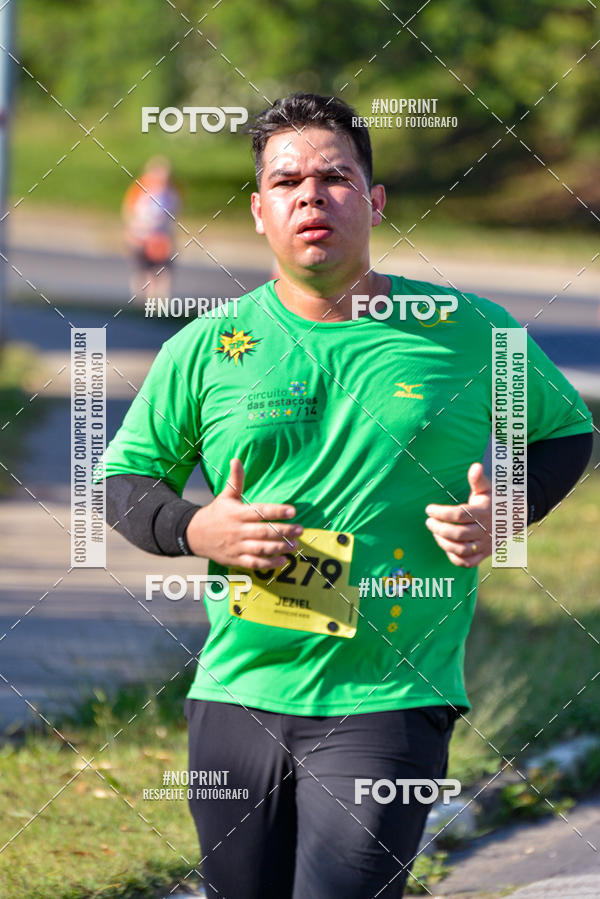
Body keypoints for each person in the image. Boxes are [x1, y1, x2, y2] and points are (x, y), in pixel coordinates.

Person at [98, 93, 593, 897]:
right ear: (260, 211)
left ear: (375, 199)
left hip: (389, 693)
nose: (311, 195)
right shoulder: (206, 347)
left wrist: (508, 512)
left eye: (334, 176)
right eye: (287, 180)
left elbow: (566, 432)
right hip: (237, 692)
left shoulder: (468, 332)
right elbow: (123, 482)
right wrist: (198, 529)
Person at [121, 155, 179, 299]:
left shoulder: (170, 192)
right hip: (141, 235)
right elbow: (128, 210)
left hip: (161, 236)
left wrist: (169, 235)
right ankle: (141, 300)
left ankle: (161, 303)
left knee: (163, 270)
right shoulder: (140, 189)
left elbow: (173, 214)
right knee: (143, 270)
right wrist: (132, 232)